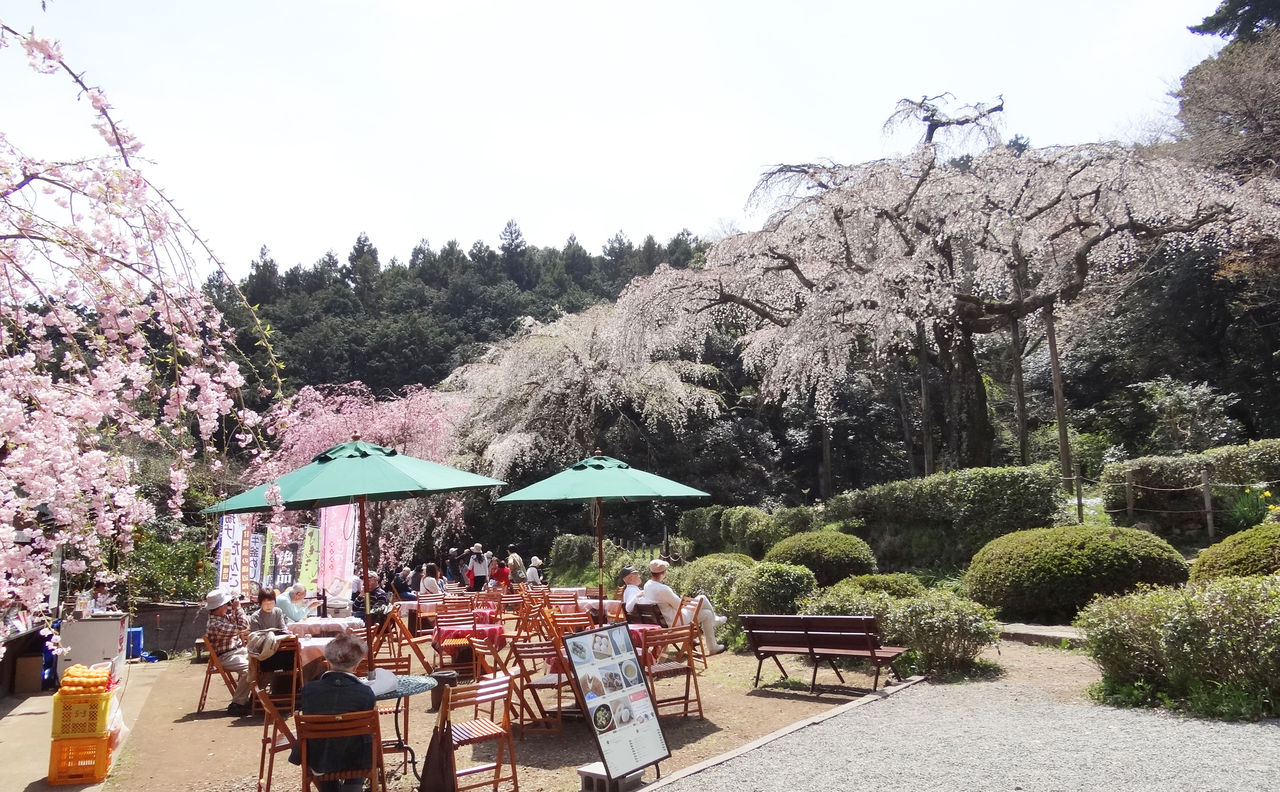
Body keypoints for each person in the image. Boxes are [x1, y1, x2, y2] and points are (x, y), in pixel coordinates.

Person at [289, 633, 377, 792]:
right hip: (356, 760)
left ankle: (331, 788)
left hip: (319, 759)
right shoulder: (365, 693)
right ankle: (353, 787)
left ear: (327, 662)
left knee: (326, 741)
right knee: (361, 738)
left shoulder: (309, 690)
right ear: (357, 665)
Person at [642, 559, 727, 654]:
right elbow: (679, 605)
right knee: (702, 597)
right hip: (675, 621)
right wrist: (682, 600)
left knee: (707, 614)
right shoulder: (663, 589)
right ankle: (715, 621)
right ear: (663, 573)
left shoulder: (647, 585)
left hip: (665, 622)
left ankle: (713, 647)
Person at [204, 588, 253, 715]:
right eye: (226, 603)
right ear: (220, 606)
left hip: (237, 651)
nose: (228, 605)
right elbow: (243, 627)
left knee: (262, 661)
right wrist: (238, 608)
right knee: (249, 669)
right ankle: (238, 703)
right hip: (225, 656)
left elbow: (242, 623)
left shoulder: (223, 617)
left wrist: (235, 608)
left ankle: (255, 697)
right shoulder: (215, 624)